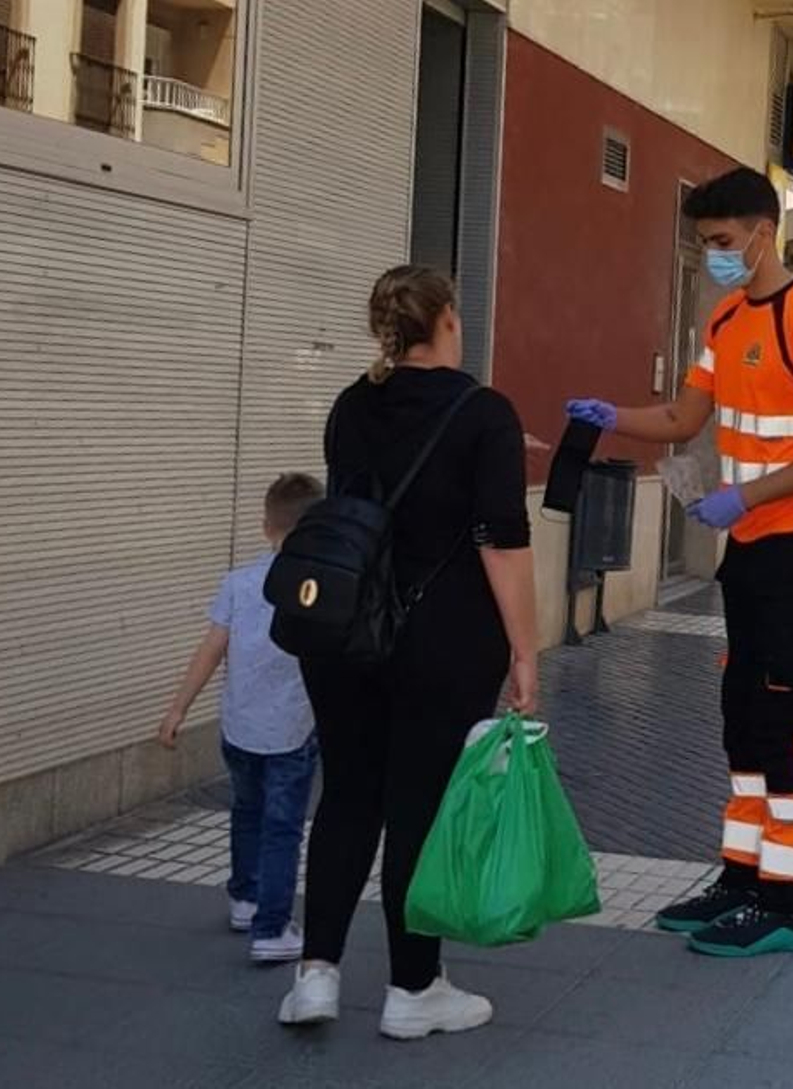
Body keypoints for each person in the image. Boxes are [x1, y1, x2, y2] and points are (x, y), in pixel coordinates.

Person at [567, 167, 793, 957]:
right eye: (705, 246)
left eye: (724, 243)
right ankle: (741, 875)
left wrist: (751, 493)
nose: (714, 258)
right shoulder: (729, 319)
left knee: (787, 712)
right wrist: (613, 418)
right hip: (753, 546)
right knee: (743, 712)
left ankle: (788, 898)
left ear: (765, 232)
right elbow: (681, 416)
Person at [277, 266, 539, 1040]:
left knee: (349, 796)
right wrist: (526, 650)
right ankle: (413, 987)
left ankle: (316, 975)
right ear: (448, 321)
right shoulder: (484, 413)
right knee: (417, 806)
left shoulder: (352, 405)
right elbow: (501, 539)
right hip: (444, 639)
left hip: (344, 632)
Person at [158, 473, 325, 964]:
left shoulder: (238, 582)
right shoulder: (317, 589)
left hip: (238, 728)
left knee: (246, 813)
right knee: (282, 829)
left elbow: (211, 649)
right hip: (292, 732)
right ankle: (272, 928)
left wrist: (177, 709)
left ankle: (244, 899)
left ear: (264, 525)